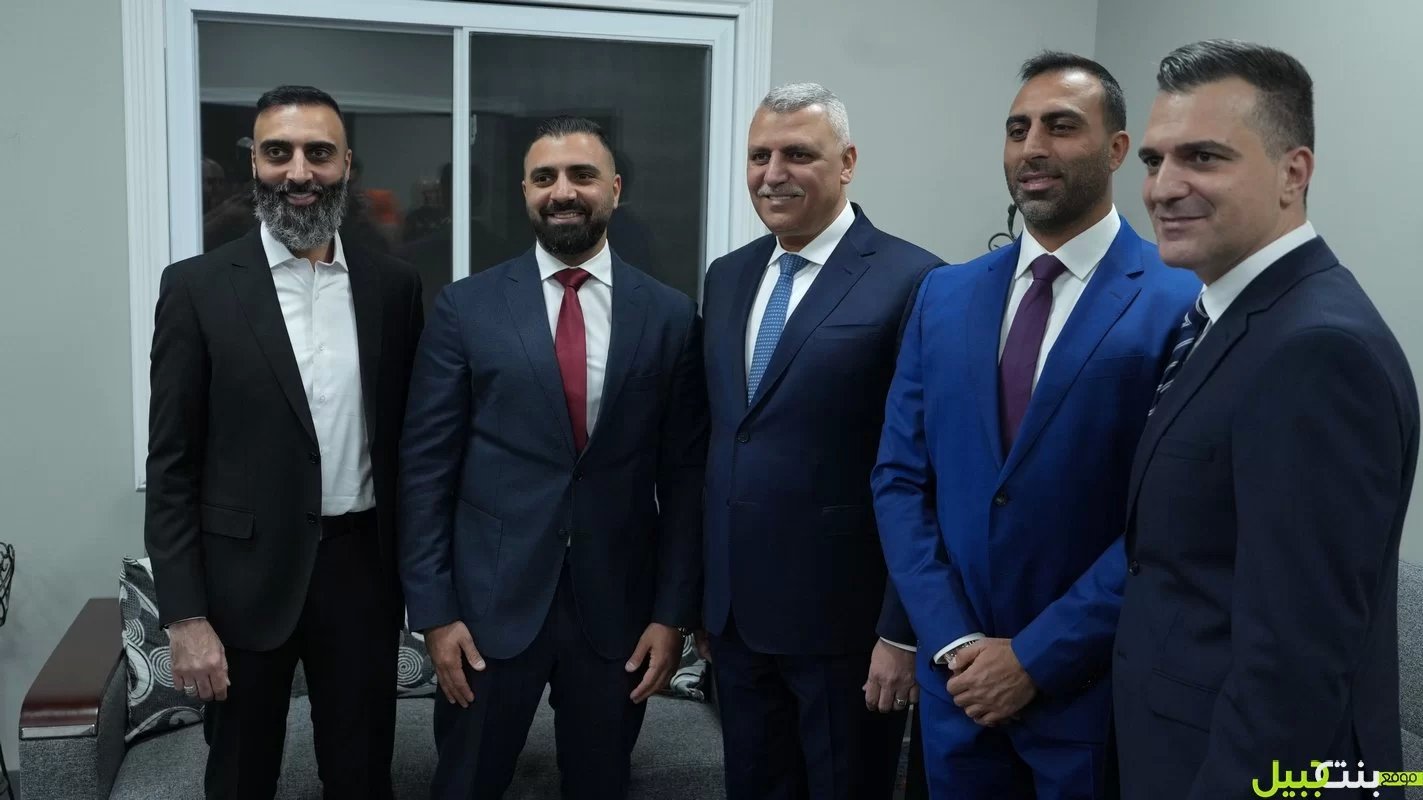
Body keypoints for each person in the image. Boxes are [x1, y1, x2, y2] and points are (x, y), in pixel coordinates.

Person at [871, 53, 1198, 799]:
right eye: (1017, 129)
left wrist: (1035, 658)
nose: (1032, 147)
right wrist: (951, 639)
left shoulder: (1180, 298)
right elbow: (899, 480)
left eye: (1060, 126)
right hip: (958, 693)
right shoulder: (943, 295)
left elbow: (1170, 517)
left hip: (1090, 695)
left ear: (1116, 149)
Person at [1113, 39, 1419, 800]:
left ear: (1293, 173)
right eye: (1153, 161)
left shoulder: (1317, 350)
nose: (1162, 188)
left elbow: (1294, 666)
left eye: (1203, 157)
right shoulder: (1229, 318)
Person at [398, 116, 708, 799]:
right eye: (544, 177)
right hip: (487, 609)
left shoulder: (669, 316)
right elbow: (424, 471)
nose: (562, 191)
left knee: (601, 785)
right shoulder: (466, 307)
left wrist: (671, 614)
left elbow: (686, 479)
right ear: (525, 193)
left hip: (617, 613)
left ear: (615, 190)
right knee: (465, 784)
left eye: (581, 175)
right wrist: (434, 613)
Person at [145, 85, 424, 799]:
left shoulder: (393, 288)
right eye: (279, 153)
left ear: (346, 165)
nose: (299, 172)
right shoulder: (197, 288)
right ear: (255, 165)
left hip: (362, 576)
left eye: (318, 153)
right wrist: (185, 615)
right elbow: (172, 464)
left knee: (362, 777)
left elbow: (410, 445)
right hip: (241, 583)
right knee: (240, 779)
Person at [700, 82, 938, 800]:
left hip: (845, 628)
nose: (772, 174)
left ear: (847, 162)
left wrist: (901, 629)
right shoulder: (728, 276)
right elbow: (724, 439)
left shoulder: (915, 279)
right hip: (736, 620)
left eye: (798, 155)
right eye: (759, 156)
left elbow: (925, 466)